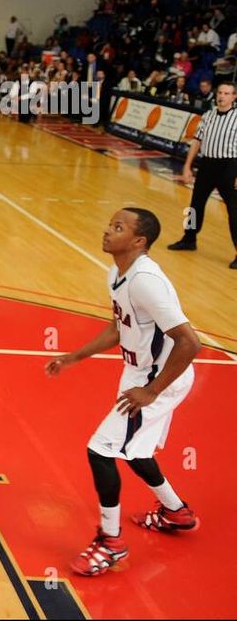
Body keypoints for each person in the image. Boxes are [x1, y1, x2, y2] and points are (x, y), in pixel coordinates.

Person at [45, 209, 201, 577]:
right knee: (133, 451)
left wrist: (151, 390)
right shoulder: (117, 272)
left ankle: (110, 542)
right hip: (138, 374)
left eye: (118, 228)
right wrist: (74, 357)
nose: (107, 230)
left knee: (100, 450)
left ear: (139, 241)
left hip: (158, 379)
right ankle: (176, 512)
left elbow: (189, 342)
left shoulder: (146, 281)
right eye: (109, 224)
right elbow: (118, 328)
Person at [167, 80, 237, 268]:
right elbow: (197, 142)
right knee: (195, 205)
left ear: (234, 97)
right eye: (220, 92)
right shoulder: (208, 115)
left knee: (234, 211)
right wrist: (187, 166)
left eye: (226, 93)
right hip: (207, 164)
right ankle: (189, 239)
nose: (221, 96)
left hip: (229, 166)